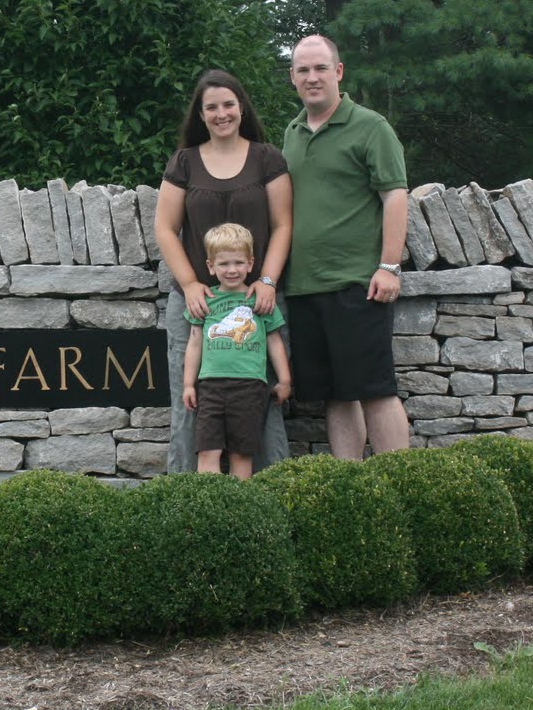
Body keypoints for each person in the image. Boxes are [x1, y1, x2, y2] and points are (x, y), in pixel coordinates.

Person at [154, 69, 293, 474]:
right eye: (211, 107)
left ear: (241, 107)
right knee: (191, 405)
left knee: (262, 403)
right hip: (199, 307)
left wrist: (266, 280)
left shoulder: (267, 158)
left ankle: (269, 496)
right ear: (200, 114)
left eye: (228, 104)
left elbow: (283, 224)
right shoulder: (185, 162)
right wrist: (190, 283)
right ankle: (187, 502)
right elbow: (165, 228)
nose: (221, 114)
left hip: (258, 302)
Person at [282, 34, 412, 460]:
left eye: (321, 68)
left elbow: (394, 195)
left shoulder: (371, 127)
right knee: (335, 395)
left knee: (375, 390)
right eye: (303, 70)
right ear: (293, 78)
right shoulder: (293, 132)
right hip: (304, 287)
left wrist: (389, 266)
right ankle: (350, 489)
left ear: (338, 72)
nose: (312, 77)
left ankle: (403, 483)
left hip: (358, 283)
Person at [182, 223, 293, 479]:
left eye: (238, 262)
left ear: (250, 263)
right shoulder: (205, 300)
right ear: (210, 266)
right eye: (223, 264)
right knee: (208, 451)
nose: (232, 270)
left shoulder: (260, 300)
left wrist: (284, 380)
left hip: (250, 387)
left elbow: (275, 342)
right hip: (210, 386)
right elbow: (195, 342)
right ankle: (209, 512)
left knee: (241, 455)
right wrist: (189, 384)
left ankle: (238, 513)